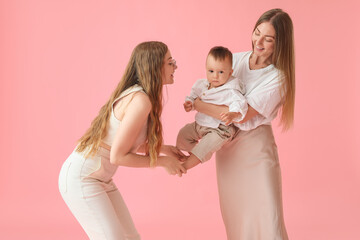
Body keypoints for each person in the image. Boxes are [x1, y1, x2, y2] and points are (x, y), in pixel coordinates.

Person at [58, 41, 186, 240]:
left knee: (130, 237)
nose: (175, 67)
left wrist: (165, 150)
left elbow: (126, 142)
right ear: (155, 66)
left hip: (100, 178)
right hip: (82, 178)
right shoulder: (140, 100)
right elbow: (118, 156)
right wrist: (162, 161)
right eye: (170, 62)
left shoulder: (142, 97)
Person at [194, 9, 294, 240]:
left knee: (268, 218)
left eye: (268, 39)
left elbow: (241, 115)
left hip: (256, 149)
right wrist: (202, 104)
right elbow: (210, 89)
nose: (258, 41)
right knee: (237, 218)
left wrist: (199, 105)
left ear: (280, 43)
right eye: (257, 33)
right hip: (227, 147)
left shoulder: (278, 77)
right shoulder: (235, 60)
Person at [176, 46, 248, 170]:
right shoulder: (202, 85)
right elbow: (193, 96)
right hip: (200, 123)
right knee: (182, 136)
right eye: (211, 71)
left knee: (206, 146)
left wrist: (233, 114)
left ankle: (184, 166)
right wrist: (189, 103)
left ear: (230, 72)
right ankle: (193, 155)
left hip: (220, 129)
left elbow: (240, 103)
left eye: (221, 72)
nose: (215, 76)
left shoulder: (230, 90)